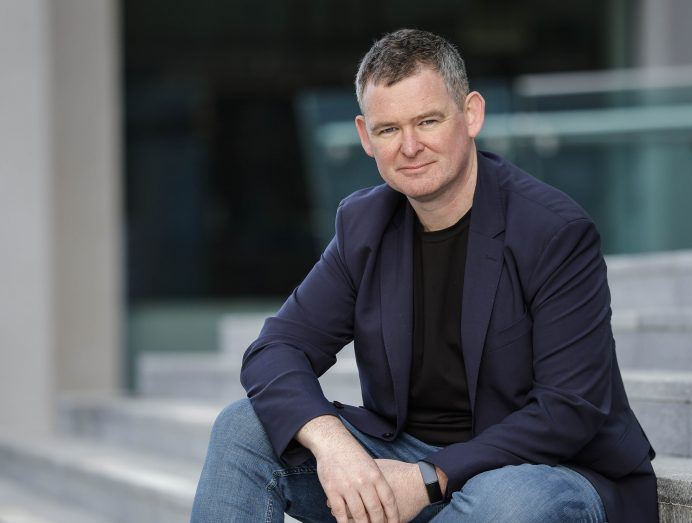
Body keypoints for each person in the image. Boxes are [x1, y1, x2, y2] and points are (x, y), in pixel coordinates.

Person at [191, 29, 657, 523]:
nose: (410, 146)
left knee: (508, 504)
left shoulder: (553, 231)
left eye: (428, 121)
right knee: (245, 428)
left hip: (541, 469)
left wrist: (430, 477)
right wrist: (333, 445)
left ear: (471, 114)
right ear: (365, 137)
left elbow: (568, 410)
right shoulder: (364, 226)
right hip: (405, 461)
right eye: (388, 129)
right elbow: (276, 349)